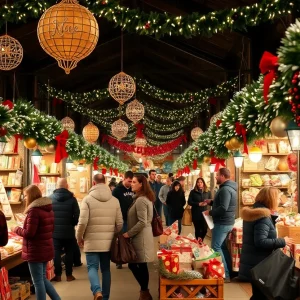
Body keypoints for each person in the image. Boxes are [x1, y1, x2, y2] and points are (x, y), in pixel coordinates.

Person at [239, 187, 293, 299]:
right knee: (261, 296)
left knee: (258, 295)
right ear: (271, 199)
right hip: (260, 264)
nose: (279, 201)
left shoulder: (253, 213)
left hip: (253, 262)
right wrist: (282, 241)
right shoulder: (262, 217)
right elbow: (260, 241)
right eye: (277, 198)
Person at [76, 174, 123, 300]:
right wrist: (112, 233)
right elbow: (119, 224)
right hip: (108, 243)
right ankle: (105, 297)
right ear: (106, 182)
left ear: (93, 183)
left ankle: (97, 291)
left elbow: (82, 222)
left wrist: (79, 237)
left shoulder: (87, 200)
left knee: (92, 267)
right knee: (106, 270)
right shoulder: (115, 200)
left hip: (91, 241)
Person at [12, 185, 60, 300]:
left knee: (38, 281)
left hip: (35, 250)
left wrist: (15, 229)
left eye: (26, 195)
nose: (24, 198)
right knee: (42, 278)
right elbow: (51, 229)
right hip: (45, 248)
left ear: (31, 196)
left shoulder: (34, 211)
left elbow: (29, 233)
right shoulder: (47, 209)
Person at [123, 175, 155, 300]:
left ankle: (144, 292)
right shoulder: (141, 198)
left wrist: (128, 233)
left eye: (134, 182)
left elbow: (143, 222)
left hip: (140, 237)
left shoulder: (141, 200)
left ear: (141, 184)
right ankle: (144, 292)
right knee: (140, 265)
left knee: (137, 265)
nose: (132, 184)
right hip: (141, 236)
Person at [204, 168, 236, 283]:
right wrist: (212, 202)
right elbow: (223, 203)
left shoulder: (225, 190)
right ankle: (230, 272)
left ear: (222, 176)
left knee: (215, 247)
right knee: (222, 247)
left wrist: (210, 212)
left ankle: (225, 275)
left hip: (222, 223)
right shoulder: (228, 188)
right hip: (227, 222)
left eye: (217, 175)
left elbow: (223, 208)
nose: (216, 177)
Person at [49, 178, 80, 282]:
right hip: (68, 231)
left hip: (55, 231)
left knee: (56, 253)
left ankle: (57, 275)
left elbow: (48, 215)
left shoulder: (50, 198)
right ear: (66, 186)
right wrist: (72, 223)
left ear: (56, 186)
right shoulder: (72, 199)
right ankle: (69, 275)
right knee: (69, 252)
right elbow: (77, 215)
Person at [112, 170, 134, 269]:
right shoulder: (117, 190)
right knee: (121, 239)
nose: (130, 183)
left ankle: (130, 258)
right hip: (121, 219)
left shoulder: (133, 188)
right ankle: (119, 259)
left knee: (131, 239)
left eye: (132, 181)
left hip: (132, 219)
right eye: (129, 181)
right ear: (124, 179)